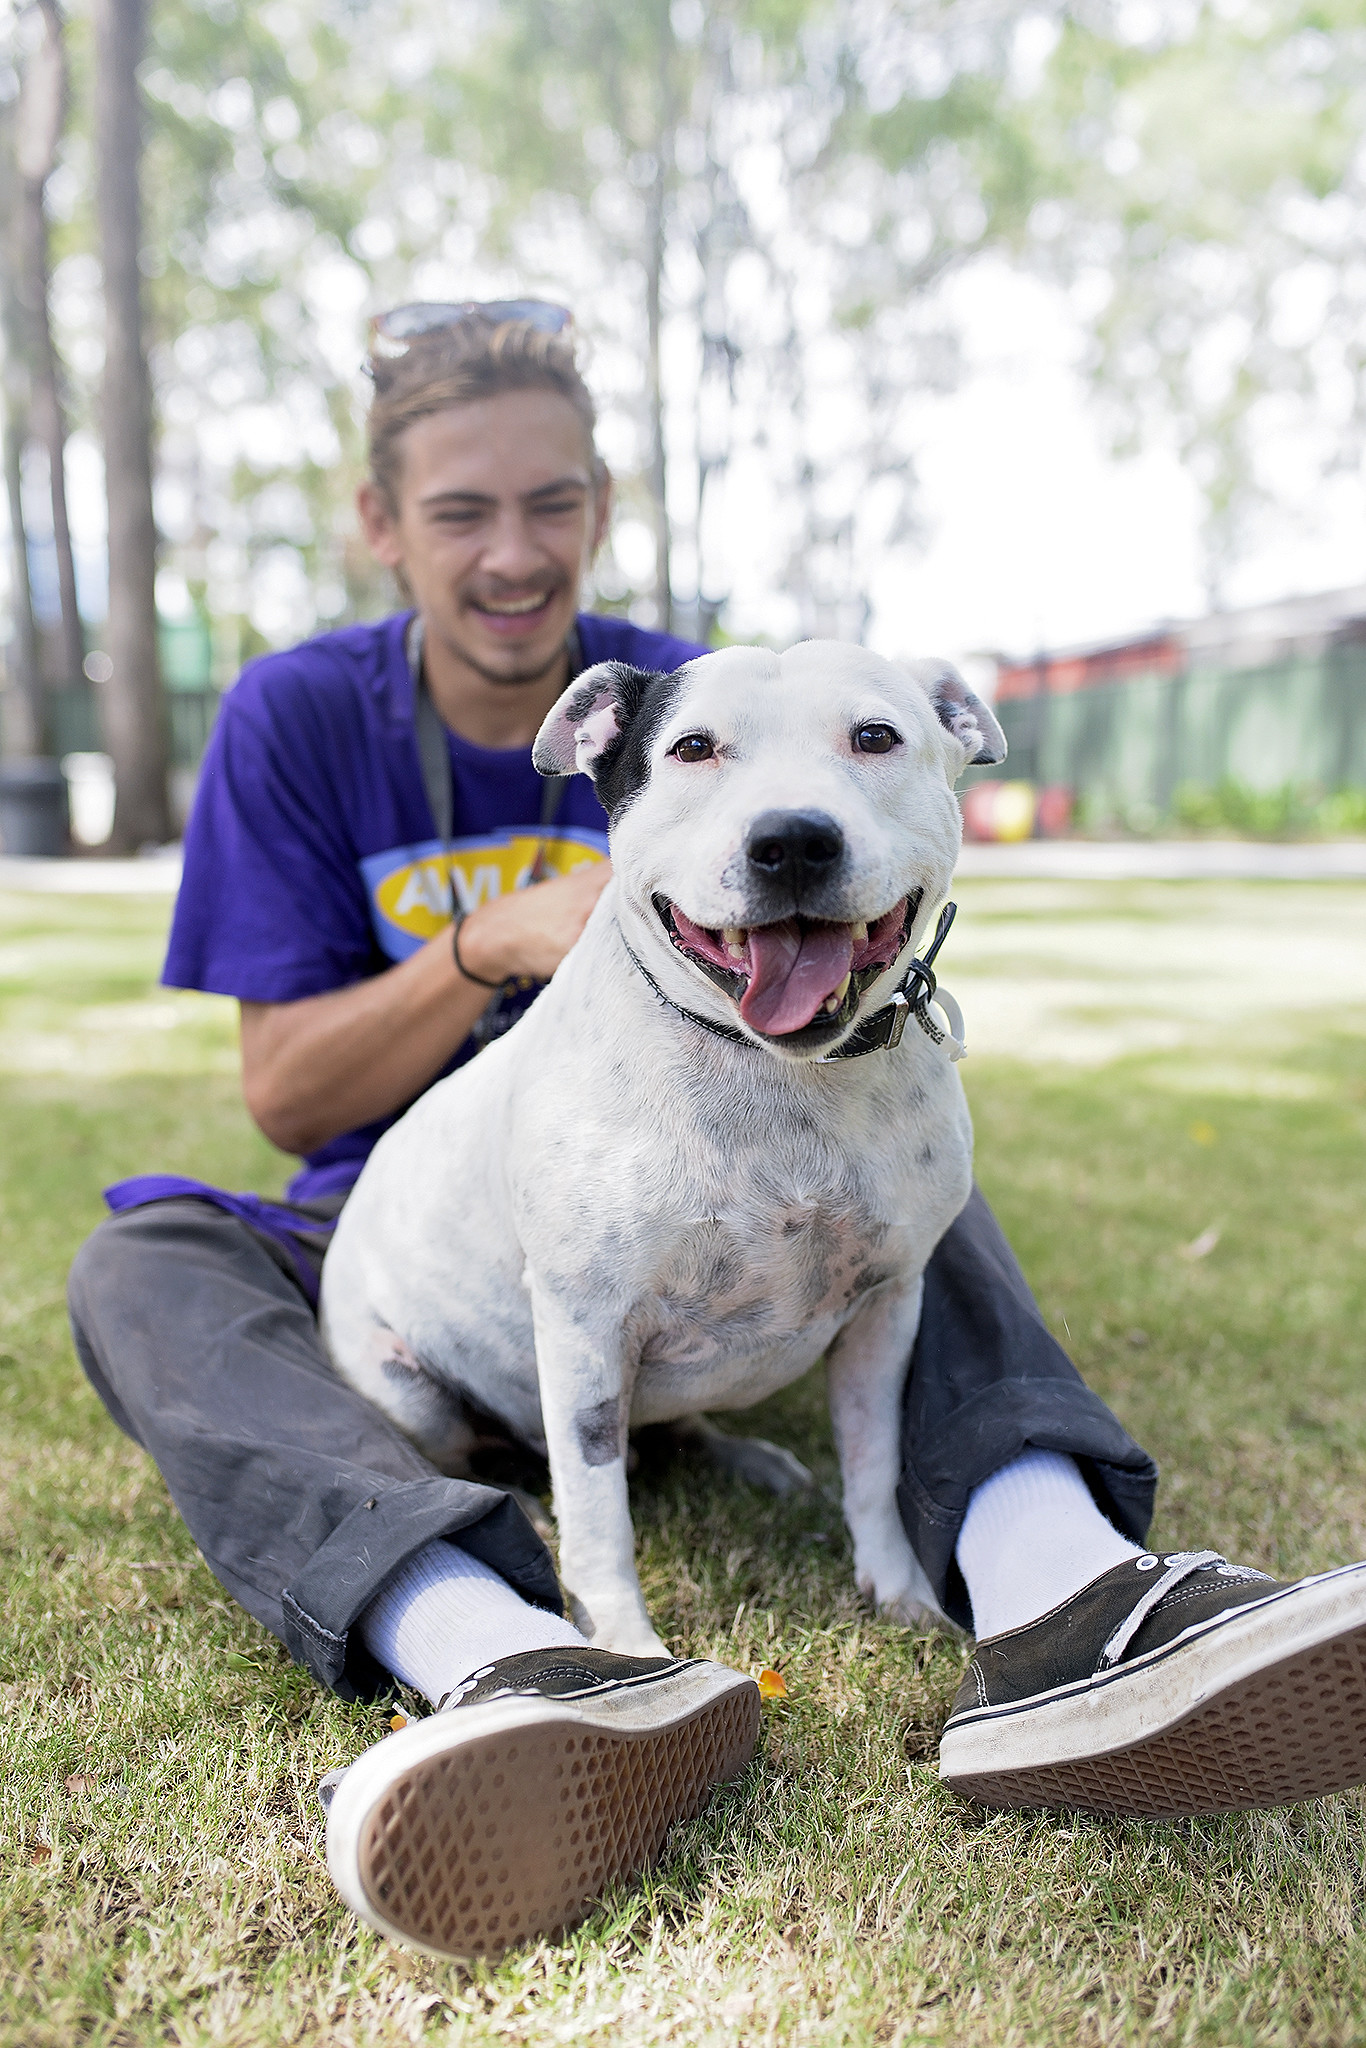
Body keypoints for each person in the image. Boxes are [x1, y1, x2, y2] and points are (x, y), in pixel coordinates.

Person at [68, 303, 1366, 1963]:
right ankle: (484, 1642)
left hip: (743, 1119)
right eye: (462, 511)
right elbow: (282, 1093)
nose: (513, 551)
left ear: (599, 506)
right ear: (383, 524)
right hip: (389, 1196)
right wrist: (485, 945)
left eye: (551, 503)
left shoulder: (728, 694)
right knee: (142, 1262)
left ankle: (1057, 1578)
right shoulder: (297, 716)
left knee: (895, 1128)